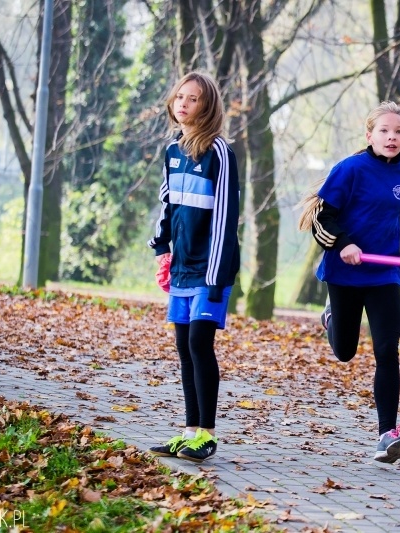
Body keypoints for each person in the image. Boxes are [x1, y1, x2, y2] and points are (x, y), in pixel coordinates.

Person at [298, 101, 400, 464]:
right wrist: (344, 244)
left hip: (385, 273)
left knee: (387, 350)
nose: (391, 137)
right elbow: (322, 218)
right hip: (346, 273)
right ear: (369, 135)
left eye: (398, 131)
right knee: (345, 351)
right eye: (384, 131)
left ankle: (387, 435)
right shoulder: (350, 169)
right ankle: (331, 318)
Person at [146, 72, 240, 463]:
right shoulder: (172, 151)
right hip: (183, 267)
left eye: (194, 99)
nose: (184, 104)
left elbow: (225, 217)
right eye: (180, 97)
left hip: (211, 268)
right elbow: (167, 205)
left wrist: (216, 276)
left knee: (201, 343)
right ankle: (189, 431)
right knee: (184, 347)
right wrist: (161, 247)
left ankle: (207, 434)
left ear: (208, 106)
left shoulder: (219, 152)